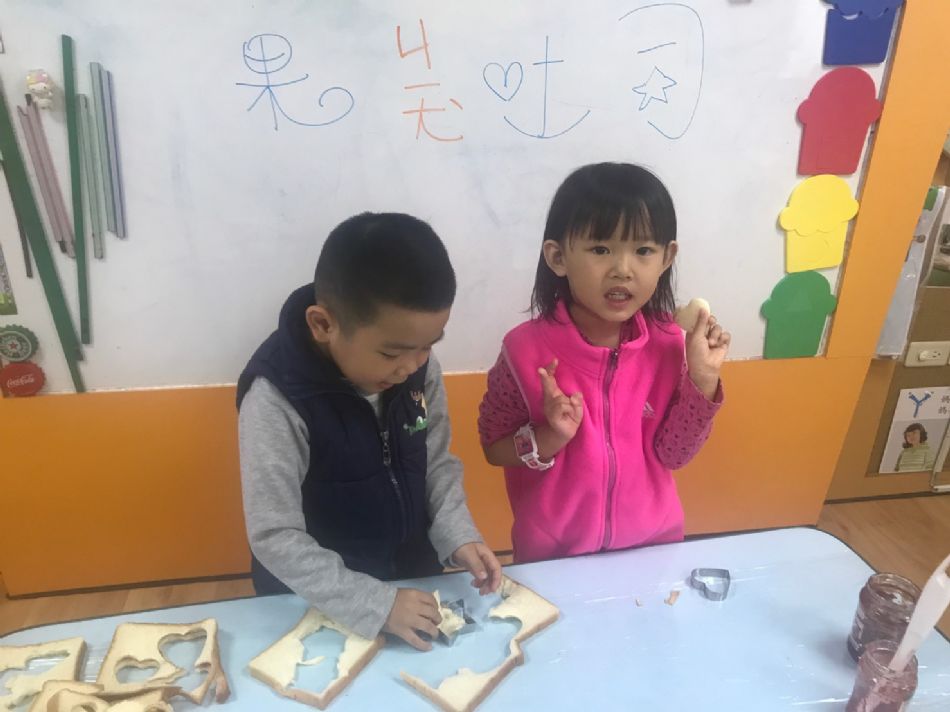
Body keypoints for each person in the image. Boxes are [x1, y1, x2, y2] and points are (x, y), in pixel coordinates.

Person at [238, 212, 501, 651]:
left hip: (410, 585)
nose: (411, 366)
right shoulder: (276, 398)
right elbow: (274, 535)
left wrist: (458, 533)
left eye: (428, 345)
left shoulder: (417, 368)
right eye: (392, 353)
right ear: (324, 325)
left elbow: (435, 461)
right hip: (315, 606)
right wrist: (376, 604)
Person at [478, 163, 729, 562]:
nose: (622, 270)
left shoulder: (670, 344)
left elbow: (674, 455)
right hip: (554, 557)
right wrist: (550, 437)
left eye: (643, 251)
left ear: (667, 258)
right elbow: (495, 448)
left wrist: (703, 378)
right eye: (600, 249)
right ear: (558, 257)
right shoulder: (523, 350)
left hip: (652, 547)